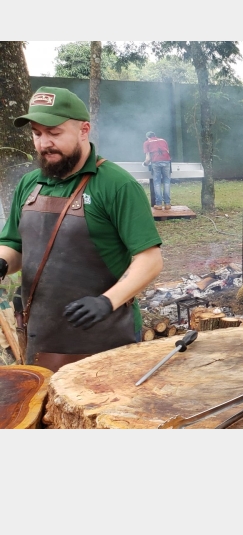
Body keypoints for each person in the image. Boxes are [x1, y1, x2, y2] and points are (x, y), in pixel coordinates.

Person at [0, 86, 163, 372]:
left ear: (84, 130)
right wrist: (3, 261)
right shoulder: (29, 184)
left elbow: (150, 259)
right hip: (43, 338)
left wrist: (107, 301)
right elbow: (15, 245)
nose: (44, 143)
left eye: (54, 133)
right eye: (37, 134)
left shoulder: (116, 185)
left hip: (107, 340)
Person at [143, 131, 172, 210]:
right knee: (167, 182)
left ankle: (159, 204)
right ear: (155, 135)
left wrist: (144, 164)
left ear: (147, 137)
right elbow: (168, 152)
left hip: (156, 162)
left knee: (157, 183)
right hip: (167, 161)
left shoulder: (147, 142)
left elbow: (148, 158)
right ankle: (167, 204)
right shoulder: (163, 140)